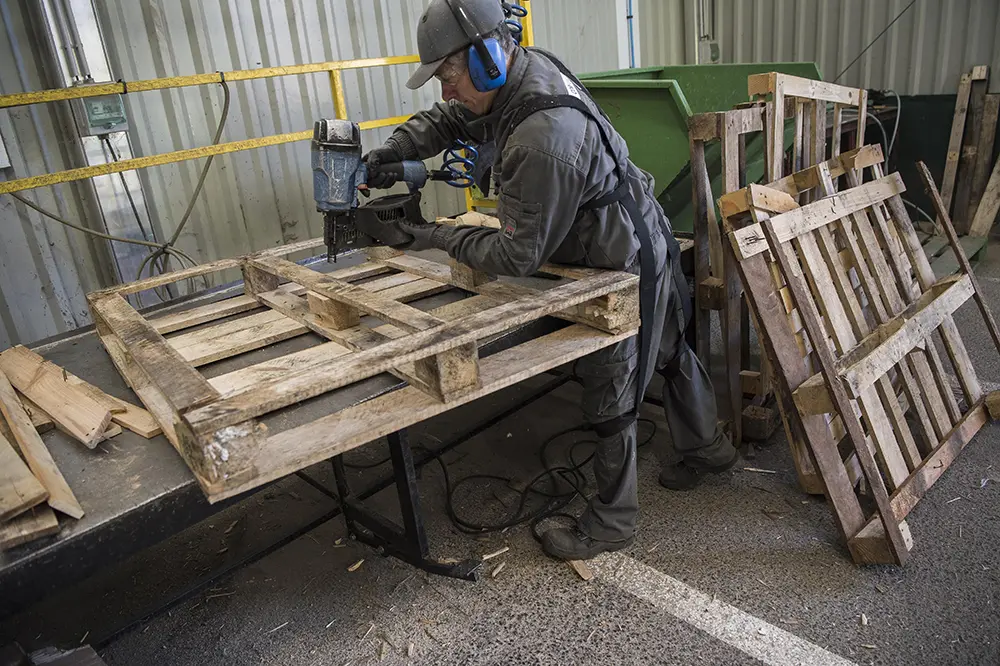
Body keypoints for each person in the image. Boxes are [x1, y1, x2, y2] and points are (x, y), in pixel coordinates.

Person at [367, 0, 738, 561]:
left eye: (448, 75)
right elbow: (454, 117)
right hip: (635, 228)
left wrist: (431, 235)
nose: (445, 90)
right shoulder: (519, 72)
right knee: (668, 347)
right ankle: (708, 450)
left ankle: (612, 523)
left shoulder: (542, 136)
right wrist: (396, 149)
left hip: (619, 256)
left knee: (615, 383)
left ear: (488, 57)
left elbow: (516, 254)